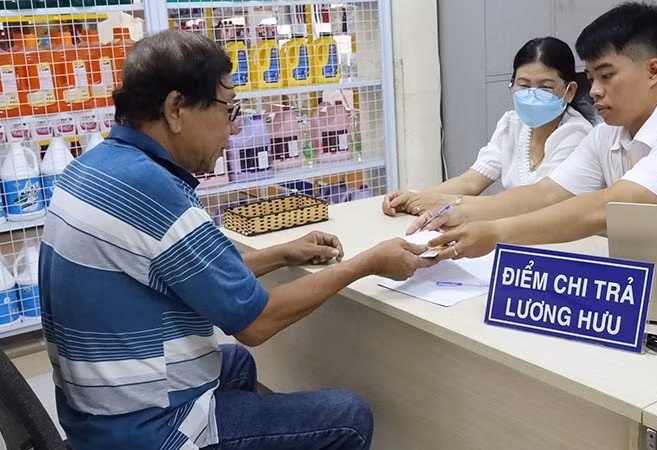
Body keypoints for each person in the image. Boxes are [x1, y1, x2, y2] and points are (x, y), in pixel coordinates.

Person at [39, 29, 434, 450]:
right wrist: (368, 262)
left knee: (236, 366)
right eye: (228, 110)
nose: (234, 128)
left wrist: (281, 253)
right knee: (348, 416)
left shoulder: (96, 166)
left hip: (98, 410)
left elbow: (184, 275)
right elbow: (257, 323)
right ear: (176, 109)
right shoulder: (151, 191)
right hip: (145, 431)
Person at [408, 2, 657, 260]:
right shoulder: (606, 135)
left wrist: (495, 233)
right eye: (592, 77)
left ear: (652, 71)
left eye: (606, 75)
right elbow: (545, 194)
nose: (596, 90)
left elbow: (604, 207)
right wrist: (461, 212)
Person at [382, 37, 594, 217]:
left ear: (570, 90)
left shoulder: (576, 134)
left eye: (545, 87)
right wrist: (417, 198)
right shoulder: (512, 124)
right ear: (512, 84)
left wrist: (445, 206)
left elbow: (541, 200)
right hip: (512, 230)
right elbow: (472, 181)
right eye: (524, 85)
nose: (532, 94)